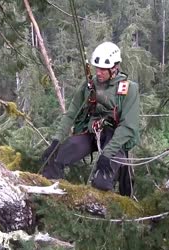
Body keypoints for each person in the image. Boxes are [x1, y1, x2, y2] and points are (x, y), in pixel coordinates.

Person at [41, 41, 140, 194]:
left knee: (102, 181)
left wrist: (107, 153)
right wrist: (56, 141)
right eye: (97, 68)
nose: (98, 73)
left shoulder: (129, 89)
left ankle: (105, 207)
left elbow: (128, 127)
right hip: (91, 132)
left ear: (114, 68)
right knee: (55, 159)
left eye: (103, 70)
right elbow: (71, 113)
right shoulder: (89, 85)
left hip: (115, 137)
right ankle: (50, 196)